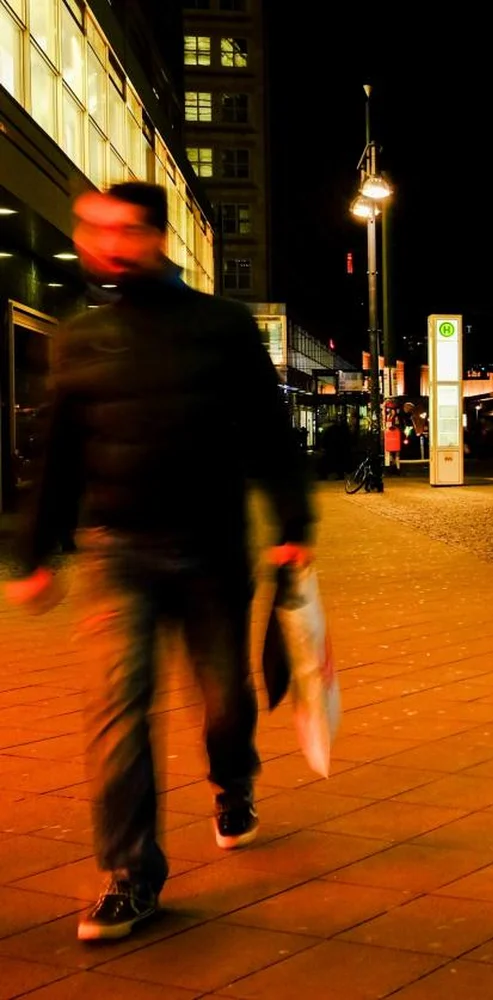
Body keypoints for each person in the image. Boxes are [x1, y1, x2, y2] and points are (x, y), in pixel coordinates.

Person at [3, 184, 313, 941]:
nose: (97, 243)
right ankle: (131, 872)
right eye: (89, 229)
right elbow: (59, 453)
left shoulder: (221, 327)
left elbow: (268, 431)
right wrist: (33, 551)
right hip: (116, 551)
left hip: (211, 546)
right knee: (116, 712)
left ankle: (233, 779)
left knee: (222, 697)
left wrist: (292, 521)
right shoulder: (79, 336)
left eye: (115, 230)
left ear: (153, 237)